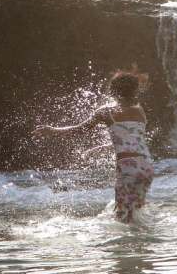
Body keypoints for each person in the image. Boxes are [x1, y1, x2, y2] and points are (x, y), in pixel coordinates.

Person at [33, 69, 154, 223]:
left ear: (113, 91)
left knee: (122, 216)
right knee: (136, 211)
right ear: (135, 91)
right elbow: (131, 141)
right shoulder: (140, 111)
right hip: (146, 166)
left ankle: (125, 245)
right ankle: (143, 244)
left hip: (127, 169)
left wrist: (52, 130)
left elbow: (79, 130)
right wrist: (102, 148)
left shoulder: (106, 111)